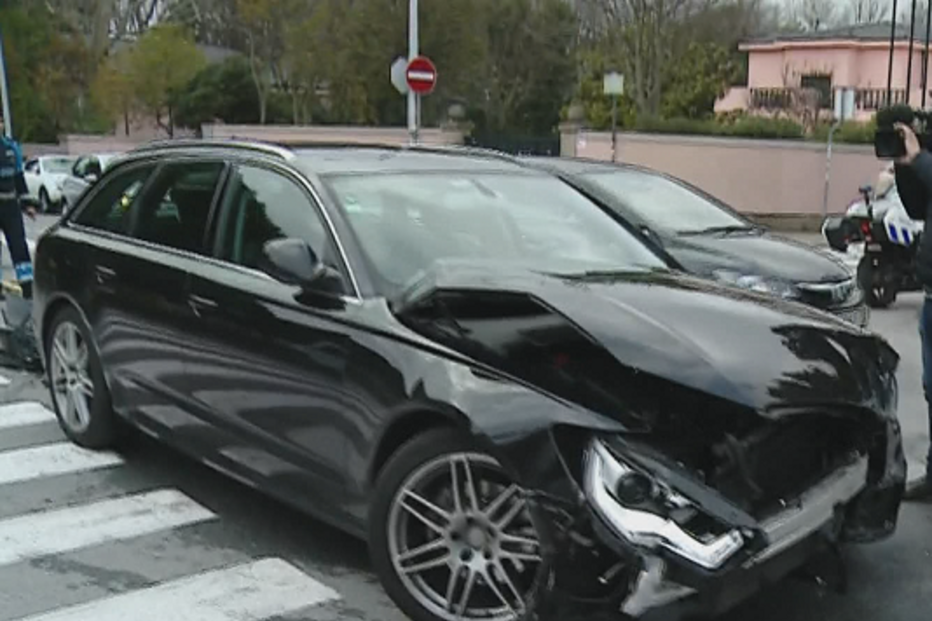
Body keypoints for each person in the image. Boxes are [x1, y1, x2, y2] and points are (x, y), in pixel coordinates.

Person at [0, 114, 36, 299]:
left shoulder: (11, 149)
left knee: (18, 245)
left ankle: (27, 287)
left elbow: (19, 178)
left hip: (10, 207)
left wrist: (27, 204)